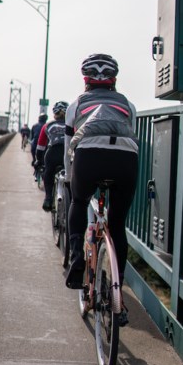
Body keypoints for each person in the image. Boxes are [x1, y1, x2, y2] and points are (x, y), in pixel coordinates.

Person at [63, 54, 138, 323]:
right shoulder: (128, 104)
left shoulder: (76, 105)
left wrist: (71, 178)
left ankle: (76, 260)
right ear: (113, 80)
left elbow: (68, 147)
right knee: (117, 225)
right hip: (125, 162)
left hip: (89, 158)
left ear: (86, 80)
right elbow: (132, 138)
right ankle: (118, 293)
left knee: (79, 202)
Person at [35, 101, 68, 211]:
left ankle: (48, 198)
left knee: (48, 172)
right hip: (67, 154)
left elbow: (40, 146)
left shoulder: (47, 125)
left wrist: (38, 161)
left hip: (52, 153)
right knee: (72, 176)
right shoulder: (73, 124)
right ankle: (70, 200)